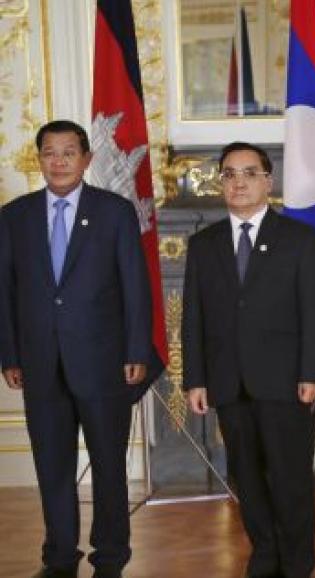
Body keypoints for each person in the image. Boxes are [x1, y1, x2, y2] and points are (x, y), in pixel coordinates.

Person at [0, 120, 152, 578]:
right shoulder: (15, 215)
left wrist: (137, 351)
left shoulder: (114, 211)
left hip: (105, 362)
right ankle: (60, 557)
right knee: (53, 466)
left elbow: (135, 288)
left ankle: (110, 557)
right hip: (39, 363)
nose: (59, 161)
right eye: (50, 152)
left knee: (108, 464)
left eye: (69, 152)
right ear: (39, 159)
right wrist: (10, 354)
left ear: (86, 159)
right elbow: (5, 290)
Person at [182, 142, 315, 578]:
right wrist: (195, 379)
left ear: (268, 180)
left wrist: (310, 371)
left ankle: (298, 559)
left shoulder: (300, 239)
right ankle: (264, 552)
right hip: (228, 381)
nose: (239, 182)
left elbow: (313, 313)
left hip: (285, 379)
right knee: (245, 476)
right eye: (229, 174)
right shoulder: (203, 245)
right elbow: (193, 317)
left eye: (249, 173)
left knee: (289, 476)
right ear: (220, 183)